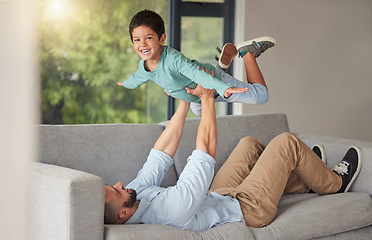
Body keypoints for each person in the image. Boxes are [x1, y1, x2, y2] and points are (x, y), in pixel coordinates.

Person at [104, 80, 362, 230]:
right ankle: (334, 184)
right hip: (249, 209)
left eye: (112, 185)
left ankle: (307, 177)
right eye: (117, 192)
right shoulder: (169, 211)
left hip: (217, 196)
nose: (119, 184)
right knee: (287, 143)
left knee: (249, 144)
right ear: (124, 215)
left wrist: (183, 100)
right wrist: (206, 99)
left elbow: (160, 154)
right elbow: (204, 151)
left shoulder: (135, 192)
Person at [117, 9, 275, 116]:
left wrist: (223, 87)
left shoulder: (173, 59)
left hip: (212, 82)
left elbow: (197, 74)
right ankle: (219, 68)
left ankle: (247, 52)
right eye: (137, 40)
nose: (142, 44)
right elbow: (137, 78)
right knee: (199, 112)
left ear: (162, 39)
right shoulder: (143, 66)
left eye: (148, 38)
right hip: (196, 95)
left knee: (261, 96)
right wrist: (125, 84)